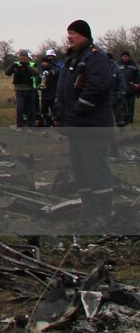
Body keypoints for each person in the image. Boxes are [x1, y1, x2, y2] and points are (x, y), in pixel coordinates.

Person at [55, 20, 115, 223]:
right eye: (68, 32)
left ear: (85, 35)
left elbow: (98, 85)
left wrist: (81, 107)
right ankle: (88, 209)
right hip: (76, 126)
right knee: (80, 169)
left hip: (92, 125)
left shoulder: (95, 56)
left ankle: (102, 213)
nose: (70, 36)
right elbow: (64, 86)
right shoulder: (72, 58)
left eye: (74, 33)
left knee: (94, 168)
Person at [6, 49, 39, 128]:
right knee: (20, 108)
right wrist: (11, 67)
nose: (23, 58)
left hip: (31, 90)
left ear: (28, 57)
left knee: (31, 109)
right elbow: (7, 73)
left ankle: (31, 125)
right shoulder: (16, 64)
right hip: (20, 90)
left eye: (24, 56)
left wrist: (27, 66)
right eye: (21, 56)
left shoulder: (32, 64)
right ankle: (20, 125)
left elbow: (36, 72)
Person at [116, 51, 140, 127]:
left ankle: (130, 119)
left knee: (131, 105)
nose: (125, 58)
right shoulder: (117, 65)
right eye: (124, 57)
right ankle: (123, 119)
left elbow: (138, 77)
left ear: (129, 57)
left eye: (126, 56)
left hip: (131, 89)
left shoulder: (133, 65)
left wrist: (137, 85)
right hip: (121, 89)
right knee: (122, 106)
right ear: (121, 57)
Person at [39, 48, 61, 127]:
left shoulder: (57, 65)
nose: (50, 58)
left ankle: (55, 124)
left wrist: (50, 71)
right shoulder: (42, 67)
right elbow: (38, 77)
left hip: (54, 91)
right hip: (45, 92)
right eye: (48, 56)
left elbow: (59, 72)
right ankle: (46, 124)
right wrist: (40, 86)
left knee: (54, 110)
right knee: (44, 111)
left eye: (51, 56)